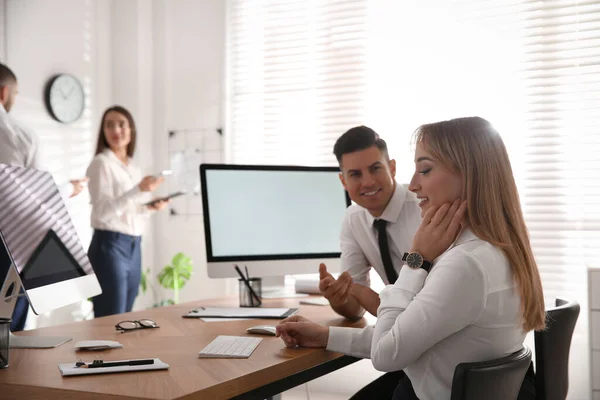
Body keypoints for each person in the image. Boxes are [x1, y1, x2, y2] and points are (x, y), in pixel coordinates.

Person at [276, 117, 546, 400]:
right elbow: (406, 334)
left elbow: (386, 353)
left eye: (425, 170)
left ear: (469, 174)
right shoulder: (486, 249)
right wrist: (325, 336)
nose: (413, 184)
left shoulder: (464, 263)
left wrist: (417, 259)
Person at [0, 62, 87, 332]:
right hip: (9, 243)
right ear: (4, 92)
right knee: (10, 329)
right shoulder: (20, 135)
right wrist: (69, 189)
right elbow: (38, 196)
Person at [86, 105, 168, 318]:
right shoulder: (100, 163)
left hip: (133, 246)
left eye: (121, 124)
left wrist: (150, 208)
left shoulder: (133, 167)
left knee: (125, 319)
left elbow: (129, 211)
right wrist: (138, 190)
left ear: (131, 130)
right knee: (110, 319)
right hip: (109, 246)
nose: (116, 130)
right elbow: (102, 213)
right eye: (109, 125)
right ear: (103, 131)